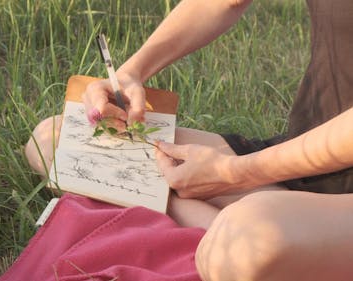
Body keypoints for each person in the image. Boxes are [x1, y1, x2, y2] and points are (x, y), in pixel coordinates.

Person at [25, 0, 353, 280]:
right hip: (300, 156)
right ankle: (185, 214)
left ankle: (161, 207)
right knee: (53, 140)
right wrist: (132, 72)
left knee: (247, 243)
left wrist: (236, 173)